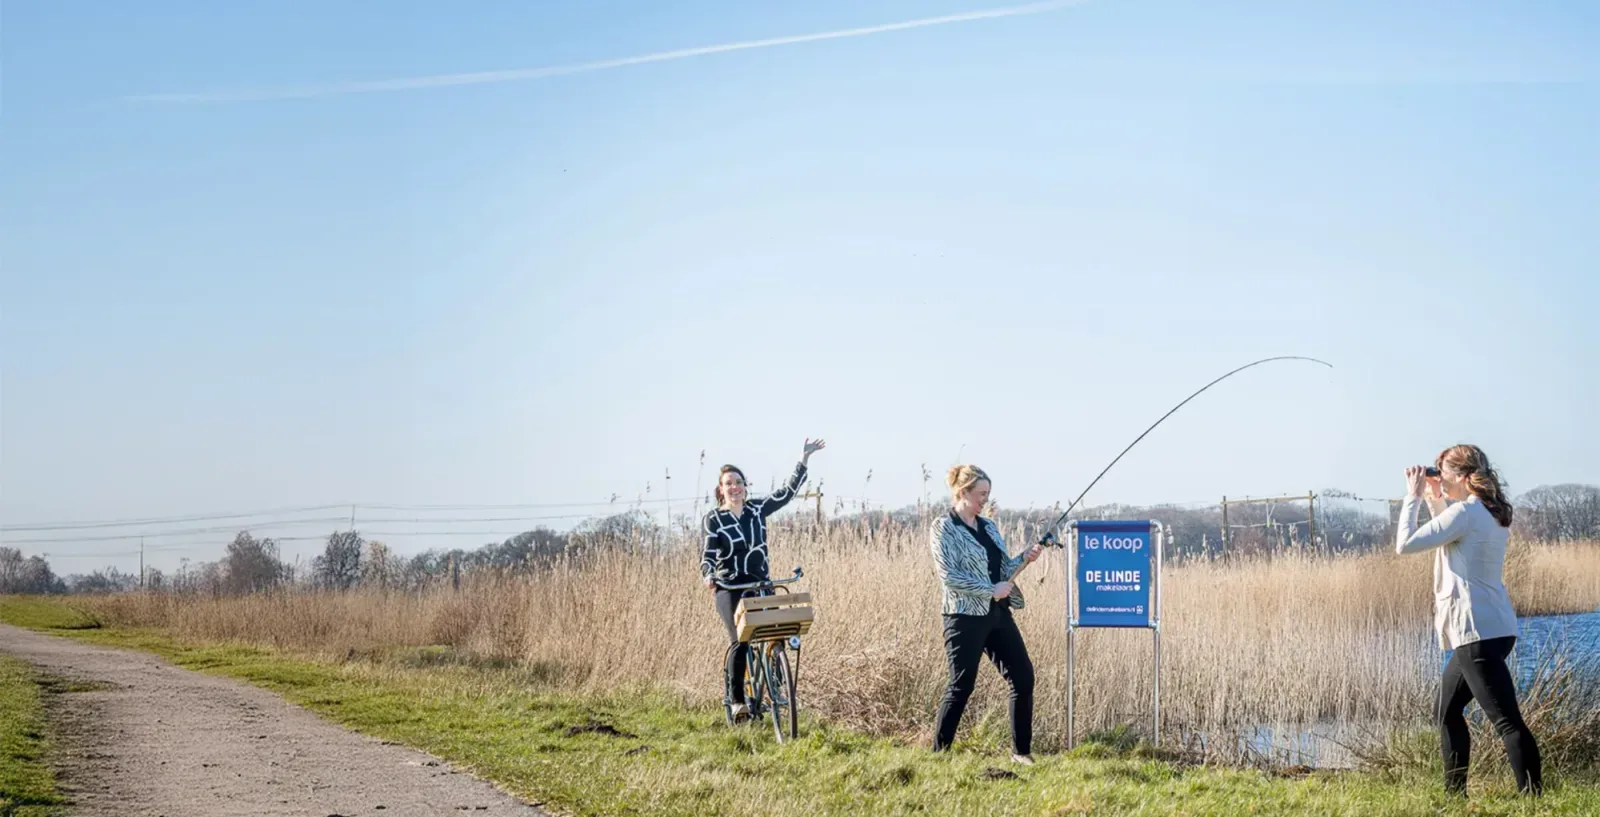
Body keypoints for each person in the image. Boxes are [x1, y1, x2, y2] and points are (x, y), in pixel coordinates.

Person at [1396, 444, 1542, 797]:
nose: (1437, 476)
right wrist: (1435, 497)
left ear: (1462, 476)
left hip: (1475, 633)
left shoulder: (1465, 513)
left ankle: (1533, 798)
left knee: (1507, 721)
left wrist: (1412, 497)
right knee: (1445, 712)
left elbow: (1405, 545)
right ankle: (1455, 796)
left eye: (1442, 471)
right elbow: (1450, 534)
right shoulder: (1487, 512)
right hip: (1493, 629)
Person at [700, 437, 825, 719]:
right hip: (729, 587)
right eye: (728, 483)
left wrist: (803, 459)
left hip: (759, 583)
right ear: (721, 490)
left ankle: (777, 685)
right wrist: (708, 574)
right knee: (740, 640)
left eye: (738, 482)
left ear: (745, 486)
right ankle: (737, 701)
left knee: (777, 631)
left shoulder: (757, 510)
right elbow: (707, 554)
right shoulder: (714, 519)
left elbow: (786, 493)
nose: (734, 487)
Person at [929, 464, 1043, 763]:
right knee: (961, 685)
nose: (985, 500)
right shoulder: (943, 527)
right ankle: (939, 754)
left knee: (1023, 677)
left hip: (998, 615)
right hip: (963, 617)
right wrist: (988, 589)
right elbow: (948, 576)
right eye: (981, 494)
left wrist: (1025, 558)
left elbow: (1004, 570)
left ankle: (1021, 753)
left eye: (988, 494)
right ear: (962, 492)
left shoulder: (989, 526)